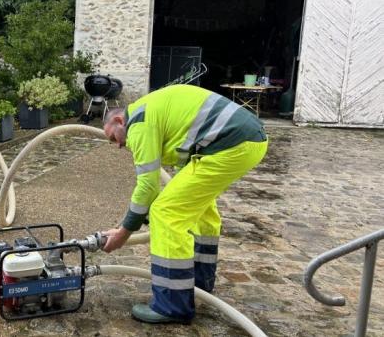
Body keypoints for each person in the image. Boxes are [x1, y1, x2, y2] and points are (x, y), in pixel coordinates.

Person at [101, 84, 268, 324]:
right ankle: (199, 284)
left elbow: (147, 186)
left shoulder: (139, 123)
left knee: (166, 214)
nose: (117, 145)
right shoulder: (151, 110)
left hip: (230, 144)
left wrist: (123, 233)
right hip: (245, 140)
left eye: (113, 137)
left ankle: (172, 305)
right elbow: (181, 164)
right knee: (201, 212)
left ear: (119, 120)